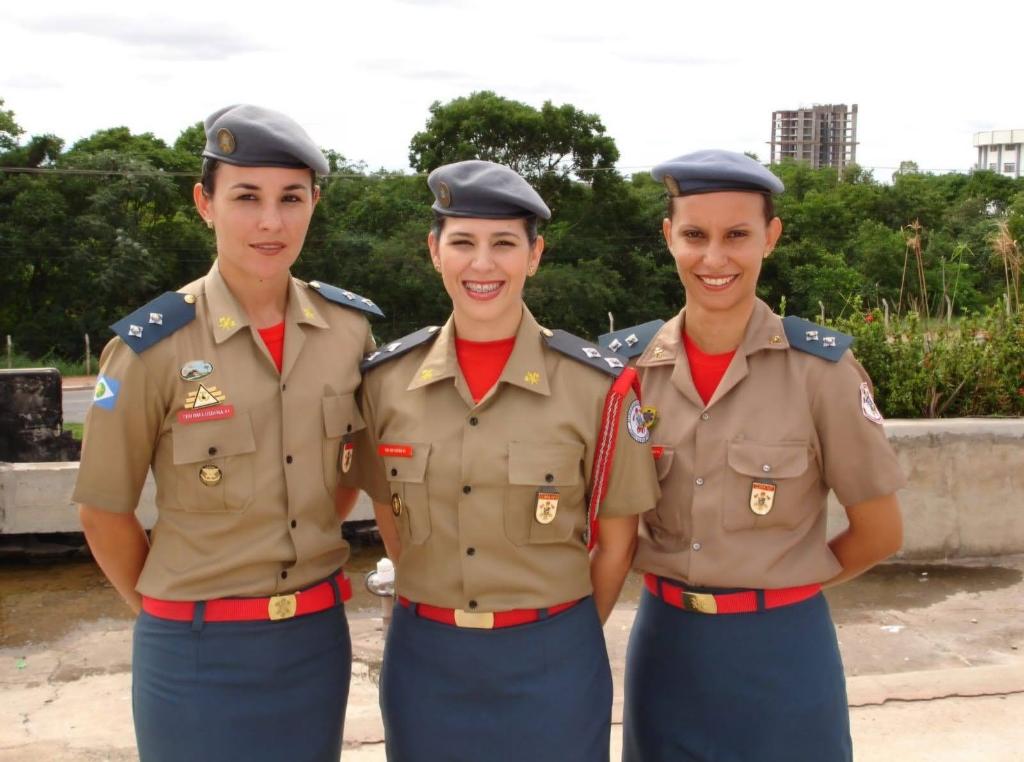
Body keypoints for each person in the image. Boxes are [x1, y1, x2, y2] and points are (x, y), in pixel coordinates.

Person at [73, 104, 383, 762]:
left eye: (290, 198)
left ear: (313, 204)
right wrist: (173, 615)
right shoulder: (151, 347)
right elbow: (104, 511)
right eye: (246, 197)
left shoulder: (349, 332)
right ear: (204, 203)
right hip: (193, 656)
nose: (270, 221)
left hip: (314, 644)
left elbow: (345, 478)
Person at [340, 159, 660, 762]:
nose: (482, 264)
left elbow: (618, 542)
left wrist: (559, 635)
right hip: (424, 659)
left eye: (504, 244)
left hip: (553, 661)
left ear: (534, 255)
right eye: (462, 242)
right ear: (435, 251)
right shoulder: (386, 381)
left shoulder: (594, 385)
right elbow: (389, 513)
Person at [619, 150, 905, 762]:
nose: (714, 258)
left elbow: (879, 531)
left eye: (737, 235)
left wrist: (780, 586)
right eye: (695, 234)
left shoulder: (819, 372)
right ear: (668, 237)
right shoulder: (630, 371)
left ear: (769, 238)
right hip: (665, 645)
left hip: (783, 653)